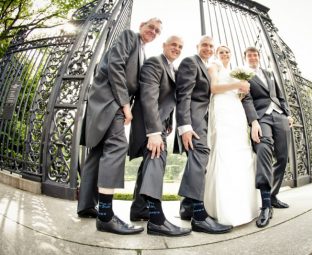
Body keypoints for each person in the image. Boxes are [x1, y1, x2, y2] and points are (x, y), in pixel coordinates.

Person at [76, 17, 162, 235]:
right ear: (141, 26)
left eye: (157, 30)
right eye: (150, 26)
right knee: (116, 147)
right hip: (110, 101)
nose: (153, 31)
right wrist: (125, 105)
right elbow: (115, 66)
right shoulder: (129, 37)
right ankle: (105, 215)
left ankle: (86, 206)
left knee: (98, 152)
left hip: (109, 101)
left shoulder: (142, 51)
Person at [128, 35, 191, 237]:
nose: (177, 48)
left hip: (160, 125)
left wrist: (168, 122)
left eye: (180, 46)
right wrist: (154, 132)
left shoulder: (172, 68)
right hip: (150, 126)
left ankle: (139, 209)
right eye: (173, 44)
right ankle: (156, 220)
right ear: (164, 45)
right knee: (157, 160)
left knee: (149, 164)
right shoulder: (155, 62)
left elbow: (168, 99)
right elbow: (148, 97)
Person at [175, 35, 232, 234]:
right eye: (205, 45)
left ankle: (187, 207)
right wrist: (185, 126)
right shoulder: (191, 62)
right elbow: (184, 95)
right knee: (200, 156)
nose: (208, 48)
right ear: (197, 46)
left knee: (198, 161)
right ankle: (199, 217)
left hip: (204, 119)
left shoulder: (205, 66)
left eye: (211, 46)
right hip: (193, 120)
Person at [203, 45, 258, 226]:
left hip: (235, 109)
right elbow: (214, 87)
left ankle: (242, 206)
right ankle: (222, 208)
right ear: (217, 55)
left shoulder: (234, 71)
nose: (225, 54)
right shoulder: (214, 65)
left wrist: (241, 92)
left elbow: (237, 94)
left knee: (239, 153)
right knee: (224, 151)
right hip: (222, 109)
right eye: (221, 51)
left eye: (227, 52)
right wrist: (237, 85)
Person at [241, 47, 294, 228]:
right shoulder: (243, 75)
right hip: (261, 116)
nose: (253, 57)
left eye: (255, 55)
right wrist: (254, 122)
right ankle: (265, 204)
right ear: (245, 58)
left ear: (259, 57)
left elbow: (281, 96)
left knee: (282, 156)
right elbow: (246, 99)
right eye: (249, 55)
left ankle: (273, 195)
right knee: (264, 149)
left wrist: (287, 114)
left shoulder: (269, 73)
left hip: (280, 116)